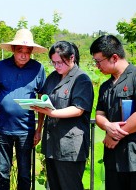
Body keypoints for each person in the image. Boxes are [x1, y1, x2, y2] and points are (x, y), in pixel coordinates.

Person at [90, 35, 136, 190]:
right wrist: (108, 126)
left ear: (114, 57)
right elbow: (99, 115)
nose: (96, 66)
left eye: (98, 61)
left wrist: (115, 134)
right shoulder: (105, 86)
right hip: (115, 159)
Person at [0, 28, 47, 190]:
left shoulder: (38, 68)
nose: (24, 55)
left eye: (28, 52)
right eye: (20, 51)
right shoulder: (1, 66)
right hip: (3, 129)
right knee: (2, 172)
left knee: (24, 174)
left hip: (26, 131)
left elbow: (43, 100)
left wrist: (39, 129)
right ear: (13, 49)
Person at [32, 41, 94, 190]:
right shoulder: (53, 77)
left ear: (71, 58)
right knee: (53, 186)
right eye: (54, 62)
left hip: (70, 145)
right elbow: (44, 99)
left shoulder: (81, 79)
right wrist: (39, 125)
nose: (57, 66)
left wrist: (52, 112)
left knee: (70, 185)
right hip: (52, 142)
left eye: (60, 62)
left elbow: (78, 109)